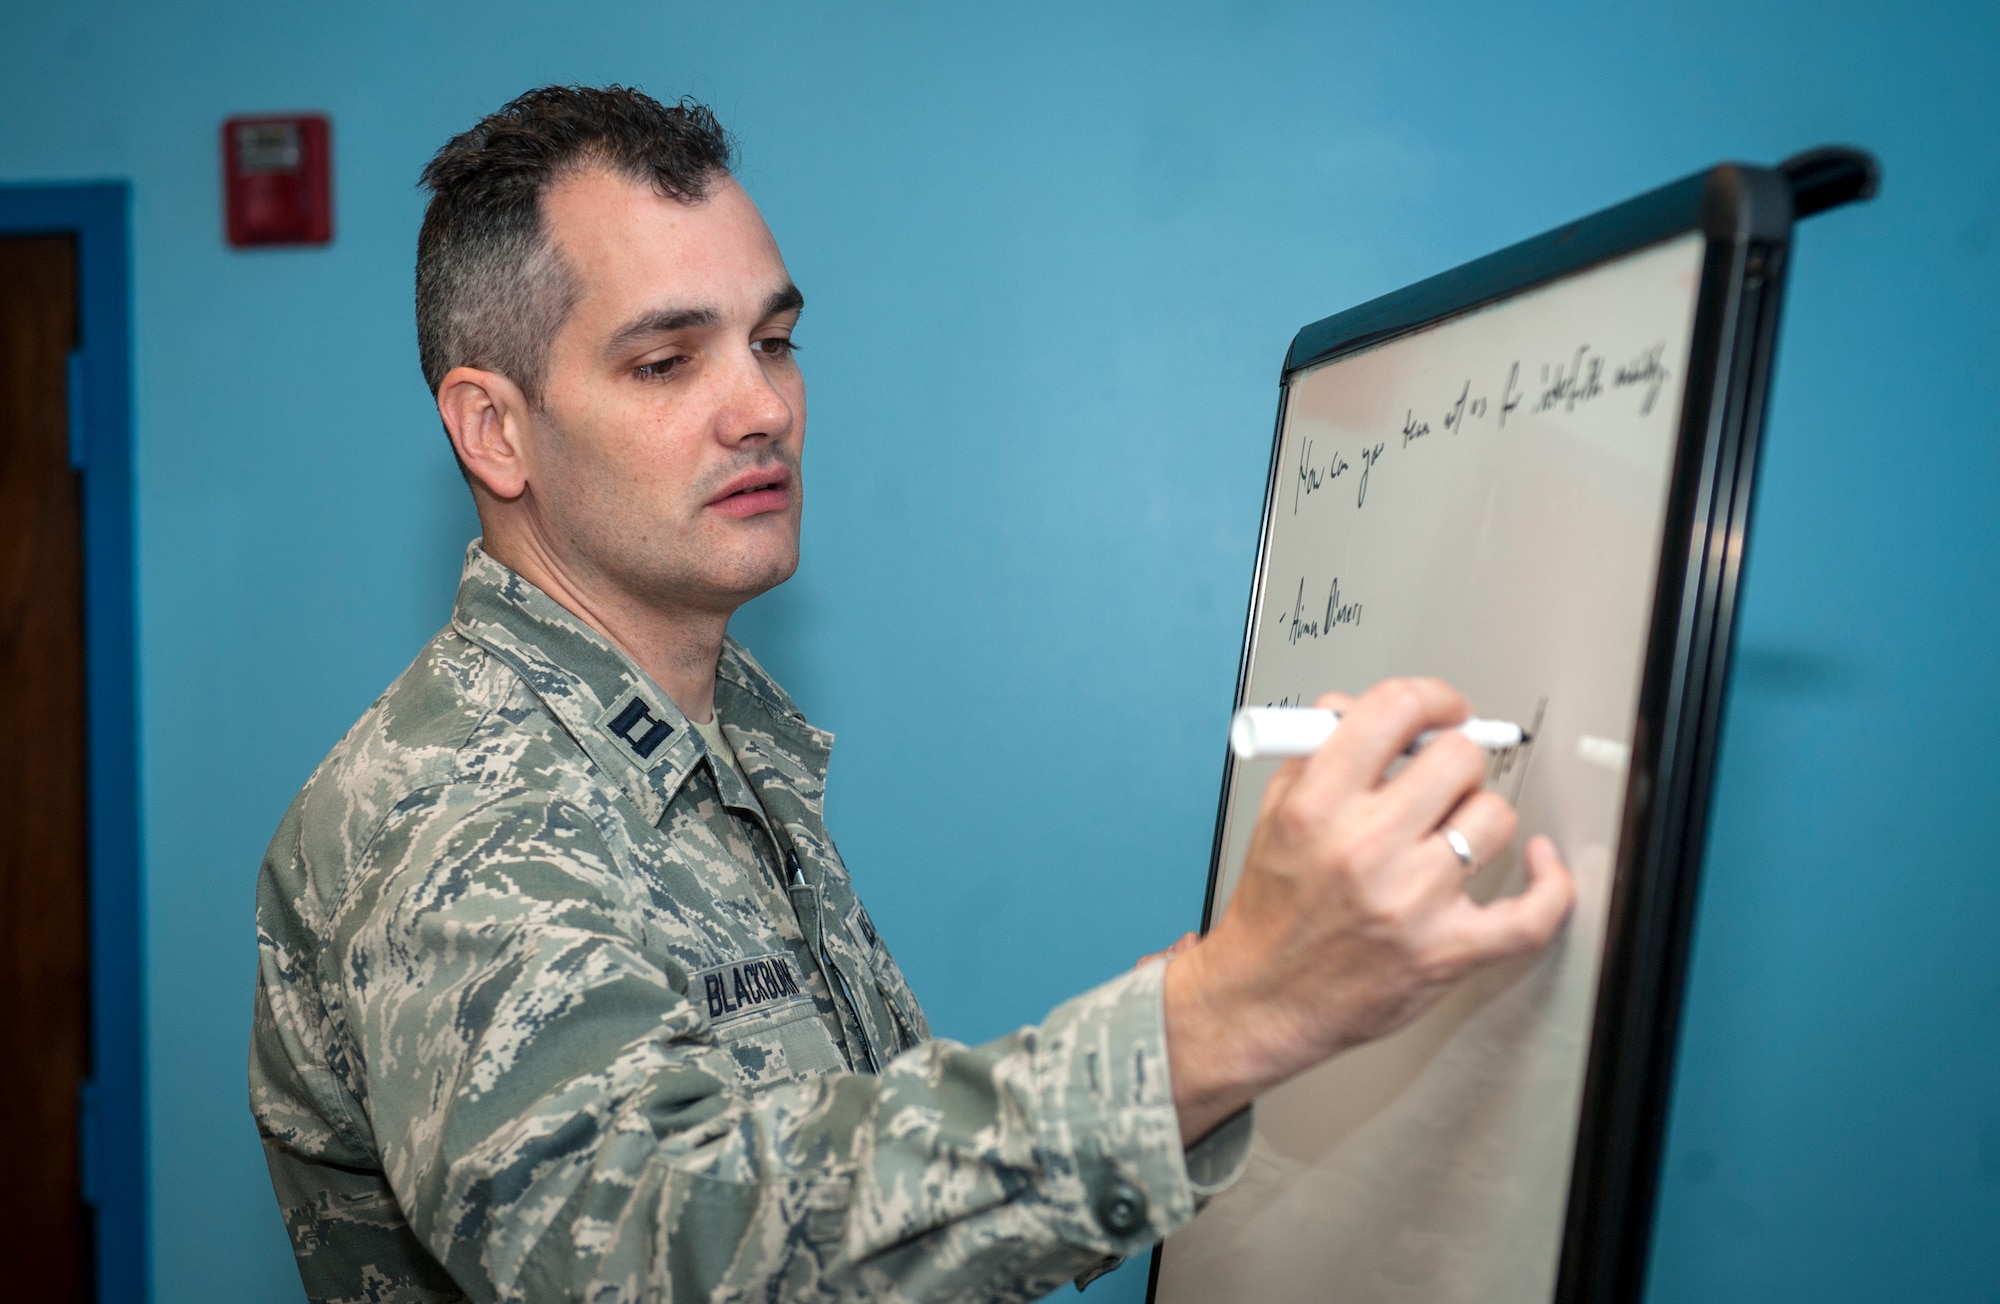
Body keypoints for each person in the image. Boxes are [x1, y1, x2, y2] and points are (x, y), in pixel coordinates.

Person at [249, 85, 1576, 1304]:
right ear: (494, 429)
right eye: (668, 362)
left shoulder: (712, 747)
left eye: (775, 340)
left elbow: (847, 1185)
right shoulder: (450, 809)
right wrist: (1224, 1017)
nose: (760, 405)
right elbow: (656, 1245)